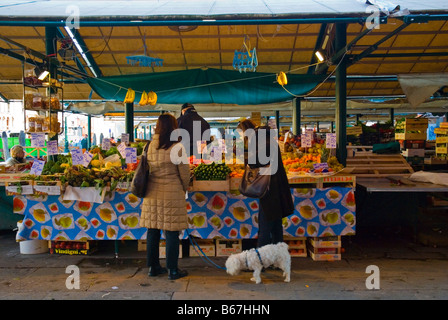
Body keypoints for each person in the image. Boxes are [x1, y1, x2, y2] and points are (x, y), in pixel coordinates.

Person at [139, 113, 190, 280]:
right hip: (172, 193)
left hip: (151, 194)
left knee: (152, 231)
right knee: (172, 232)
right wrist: (183, 189)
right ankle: (172, 270)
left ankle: (153, 268)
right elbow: (185, 175)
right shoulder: (177, 147)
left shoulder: (148, 146)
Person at [237, 120, 294, 248]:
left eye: (240, 134)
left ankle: (261, 260)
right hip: (276, 186)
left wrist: (250, 162)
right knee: (275, 226)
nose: (241, 137)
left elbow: (261, 158)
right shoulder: (264, 136)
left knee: (265, 226)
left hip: (270, 188)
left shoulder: (260, 138)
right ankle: (277, 258)